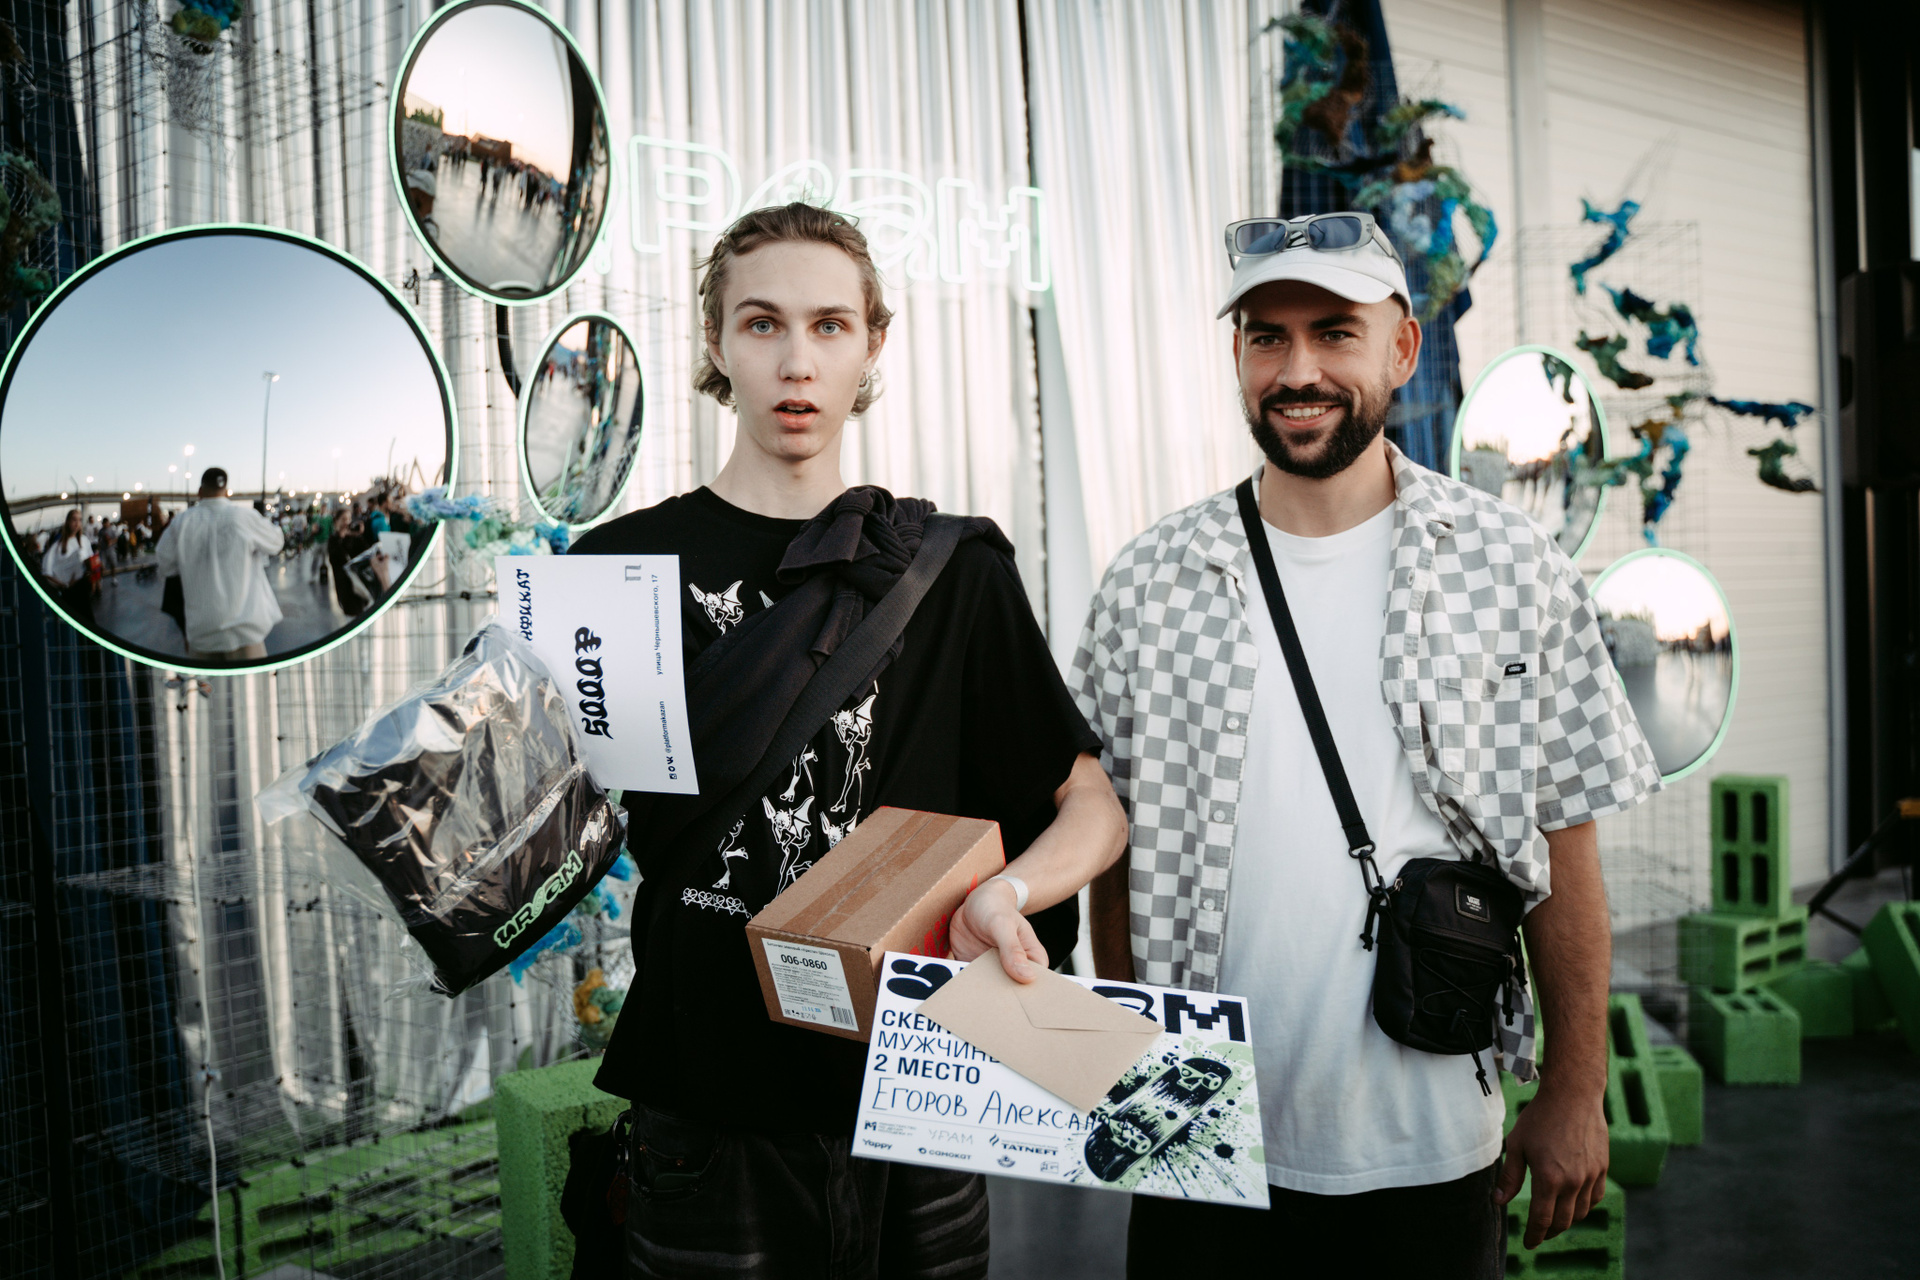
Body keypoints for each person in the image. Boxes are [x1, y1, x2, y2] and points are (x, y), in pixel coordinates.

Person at [1071, 212, 1662, 1278]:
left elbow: (1563, 840)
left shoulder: (1510, 567)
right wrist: (1128, 1057)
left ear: (1402, 349)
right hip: (1194, 1132)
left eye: (1335, 332)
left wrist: (1577, 1086)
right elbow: (1110, 845)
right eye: (1267, 337)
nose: (1298, 370)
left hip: (1431, 1136)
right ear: (1238, 355)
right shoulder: (1148, 582)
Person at [567, 201, 1129, 1280]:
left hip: (919, 1093)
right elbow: (548, 830)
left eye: (830, 325)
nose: (797, 361)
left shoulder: (949, 571)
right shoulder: (614, 569)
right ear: (717, 342)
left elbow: (1091, 805)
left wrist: (1007, 894)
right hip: (709, 1104)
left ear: (873, 343)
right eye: (762, 323)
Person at [155, 467, 286, 662]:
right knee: (252, 681)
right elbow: (276, 542)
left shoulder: (181, 522)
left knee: (201, 682)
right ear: (226, 491)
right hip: (245, 634)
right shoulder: (244, 517)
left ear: (200, 491)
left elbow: (165, 564)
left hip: (201, 634)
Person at [38, 507, 95, 625]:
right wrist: (63, 584)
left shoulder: (84, 540)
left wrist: (93, 579)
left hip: (84, 588)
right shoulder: (58, 546)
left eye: (79, 520)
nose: (77, 523)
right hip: (69, 592)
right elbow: (46, 572)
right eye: (74, 520)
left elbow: (90, 563)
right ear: (68, 522)